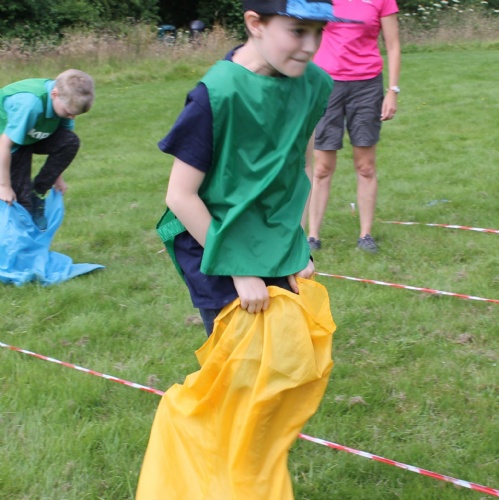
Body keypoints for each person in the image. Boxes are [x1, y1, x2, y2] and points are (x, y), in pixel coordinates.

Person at [137, 1, 347, 497]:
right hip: (211, 240)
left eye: (319, 32)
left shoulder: (312, 84)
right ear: (255, 23)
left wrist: (295, 248)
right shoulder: (217, 94)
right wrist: (239, 268)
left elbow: (293, 170)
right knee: (236, 370)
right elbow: (181, 197)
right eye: (297, 30)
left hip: (270, 238)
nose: (311, 47)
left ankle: (250, 464)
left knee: (279, 365)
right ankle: (211, 473)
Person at [306, 1, 401, 253]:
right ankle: (312, 237)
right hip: (327, 84)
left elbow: (393, 45)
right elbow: (307, 36)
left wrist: (392, 91)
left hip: (367, 86)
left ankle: (365, 236)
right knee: (322, 167)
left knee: (365, 166)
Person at [0, 69, 95, 230]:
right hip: (8, 139)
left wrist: (56, 178)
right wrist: (4, 187)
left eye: (75, 114)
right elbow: (4, 145)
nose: (71, 117)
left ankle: (37, 193)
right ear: (54, 94)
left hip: (29, 133)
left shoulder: (64, 106)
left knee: (70, 142)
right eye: (69, 112)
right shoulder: (30, 105)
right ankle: (18, 238)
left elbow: (62, 144)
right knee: (20, 200)